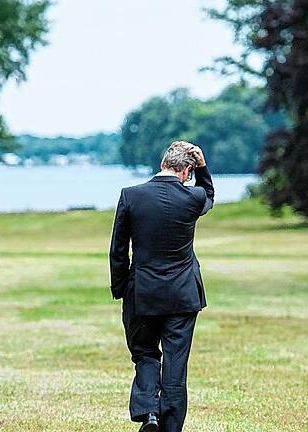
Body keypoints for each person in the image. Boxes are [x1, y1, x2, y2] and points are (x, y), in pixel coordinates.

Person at [109, 141, 214, 432]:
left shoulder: (131, 196)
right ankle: (169, 427)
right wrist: (203, 169)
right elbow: (209, 196)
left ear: (163, 164)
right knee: (175, 367)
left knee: (144, 353)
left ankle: (148, 412)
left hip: (142, 291)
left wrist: (121, 288)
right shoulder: (192, 197)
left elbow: (119, 249)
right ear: (187, 171)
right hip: (183, 294)